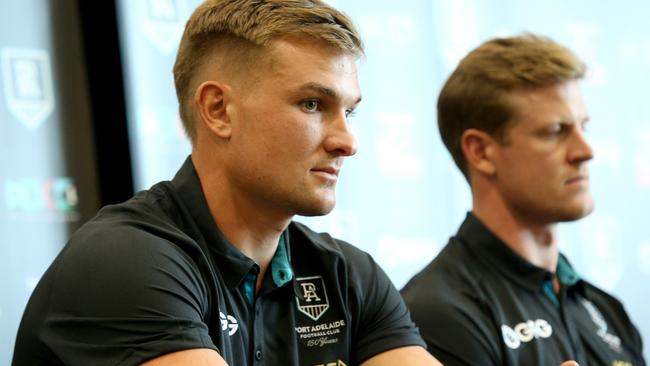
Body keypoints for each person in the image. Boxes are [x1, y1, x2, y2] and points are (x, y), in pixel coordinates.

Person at [12, 1, 441, 365]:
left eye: (350, 112)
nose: (347, 142)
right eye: (312, 104)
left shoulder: (347, 276)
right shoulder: (125, 261)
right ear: (218, 110)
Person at [401, 34, 646, 365]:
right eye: (556, 131)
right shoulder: (437, 313)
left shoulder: (605, 308)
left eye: (583, 127)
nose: (585, 151)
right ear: (481, 151)